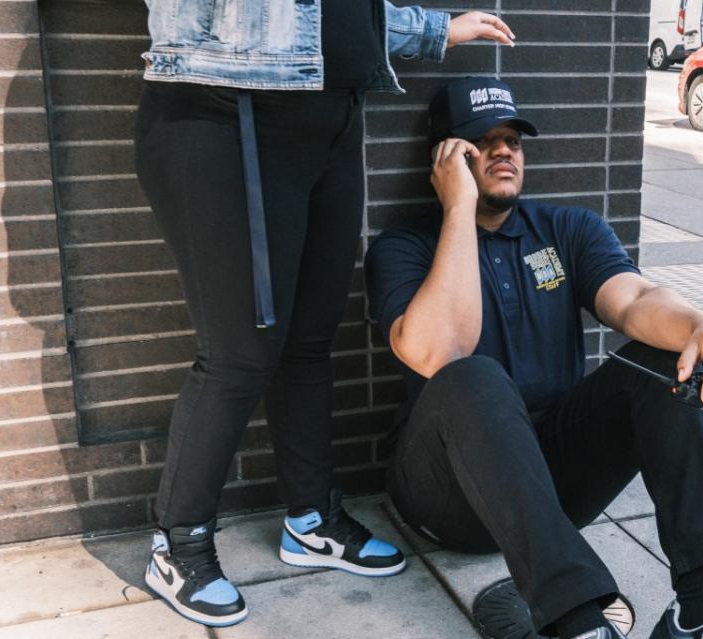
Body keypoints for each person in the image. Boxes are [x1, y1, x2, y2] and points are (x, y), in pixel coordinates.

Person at [134, 1, 516, 628]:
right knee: (238, 354)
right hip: (224, 115)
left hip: (331, 121)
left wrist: (434, 29)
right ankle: (178, 544)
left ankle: (309, 522)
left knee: (311, 340)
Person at [364, 77, 703, 639]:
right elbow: (441, 350)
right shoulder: (403, 248)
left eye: (514, 140)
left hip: (553, 486)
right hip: (447, 495)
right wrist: (458, 210)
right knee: (471, 373)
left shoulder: (567, 230)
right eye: (484, 140)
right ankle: (576, 623)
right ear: (448, 157)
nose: (505, 151)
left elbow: (636, 299)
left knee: (664, 358)